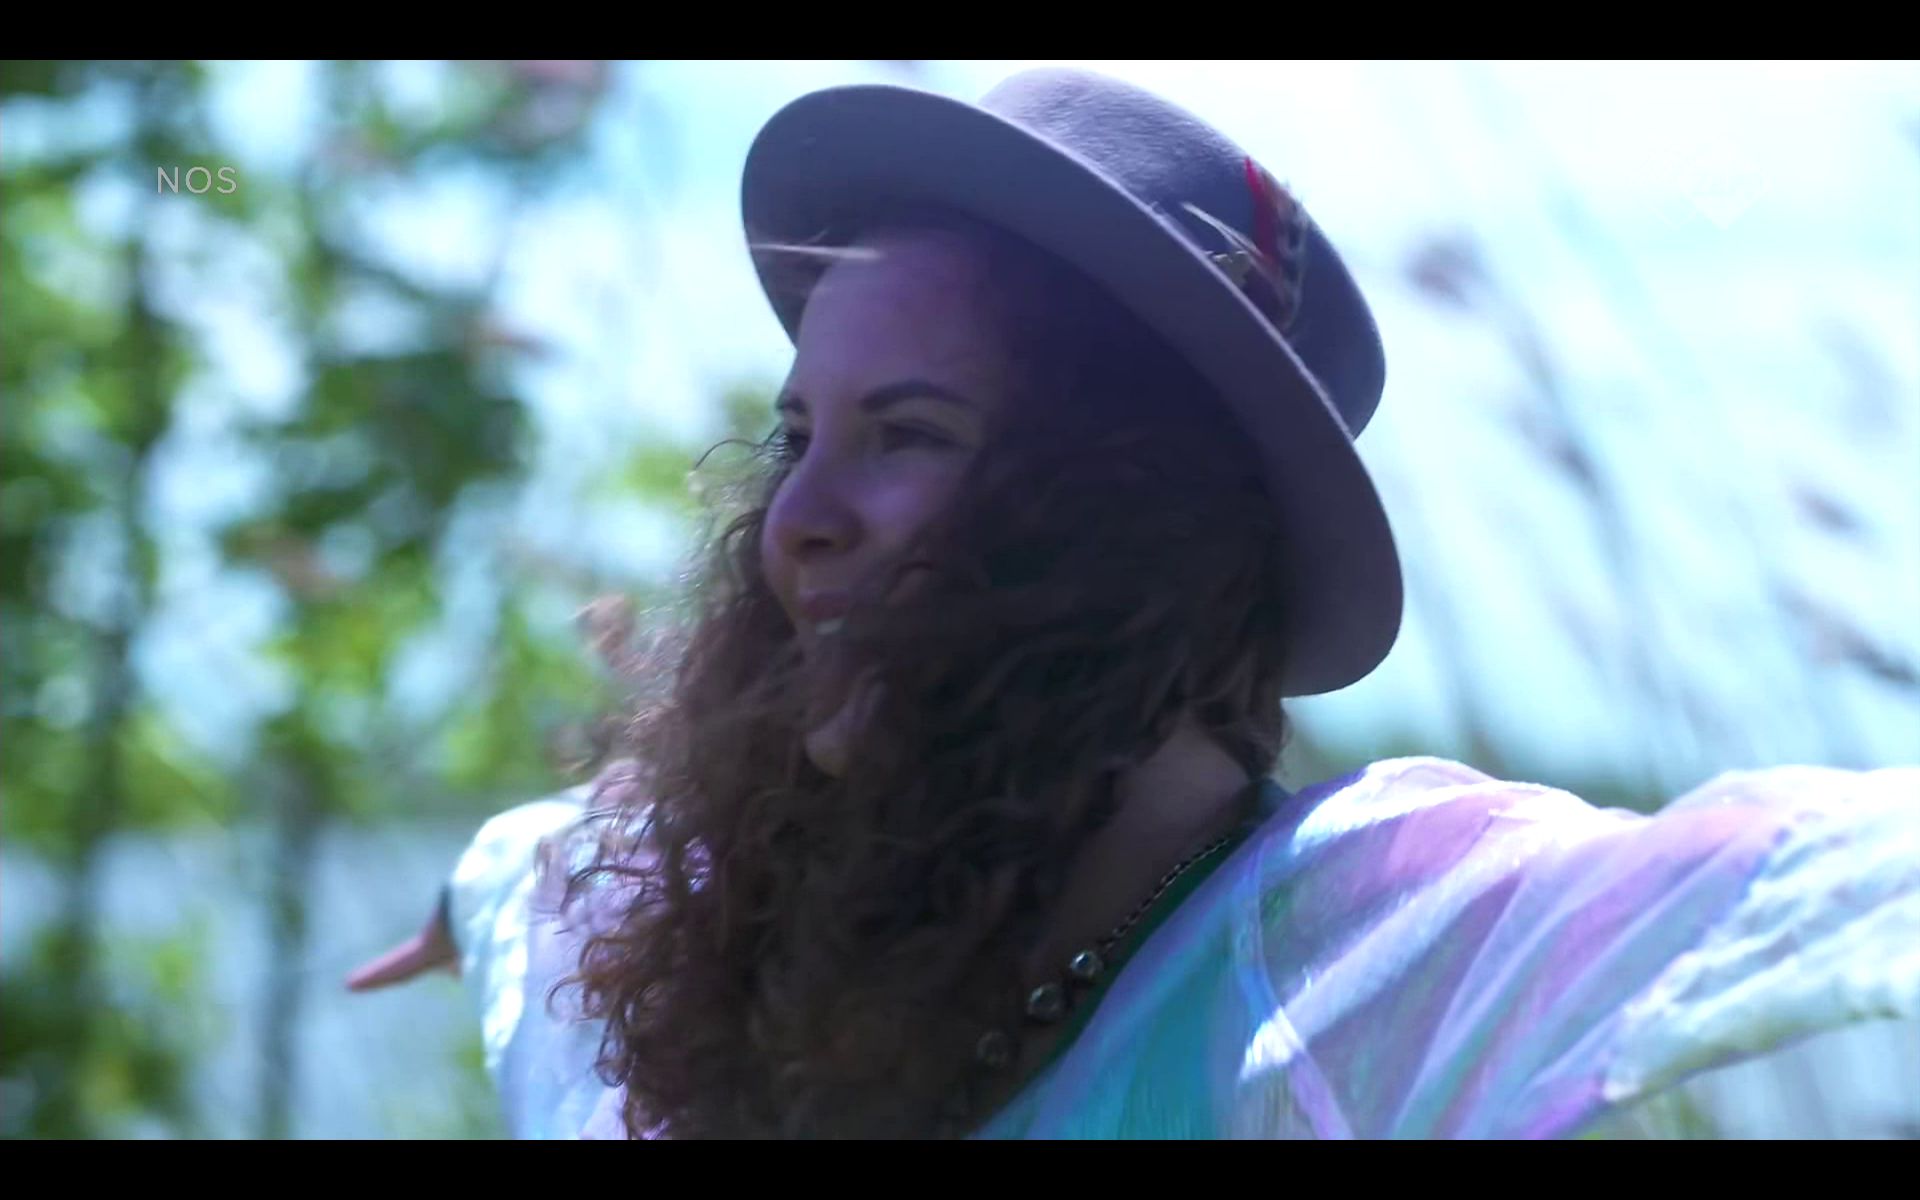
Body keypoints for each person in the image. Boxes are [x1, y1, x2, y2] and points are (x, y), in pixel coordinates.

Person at [346, 67, 1920, 1139]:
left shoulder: (1340, 951)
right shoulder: (738, 931)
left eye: (909, 436)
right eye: (796, 435)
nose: (796, 525)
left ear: (1130, 513)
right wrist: (479, 890)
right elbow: (567, 865)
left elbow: (1791, 884)